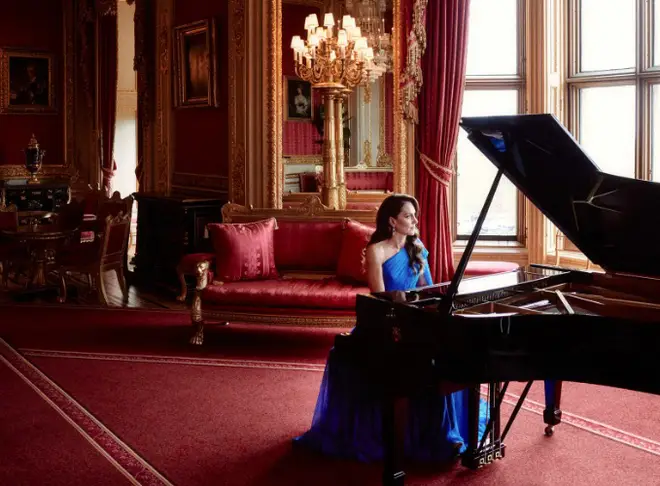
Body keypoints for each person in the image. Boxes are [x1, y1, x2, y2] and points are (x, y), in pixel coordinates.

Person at [294, 194, 487, 462]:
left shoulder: (416, 246)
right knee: (411, 362)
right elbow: (379, 298)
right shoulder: (377, 251)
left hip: (416, 321)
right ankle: (426, 435)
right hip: (386, 324)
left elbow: (425, 291)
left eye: (414, 215)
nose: (414, 221)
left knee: (448, 355)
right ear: (392, 221)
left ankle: (445, 433)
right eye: (408, 216)